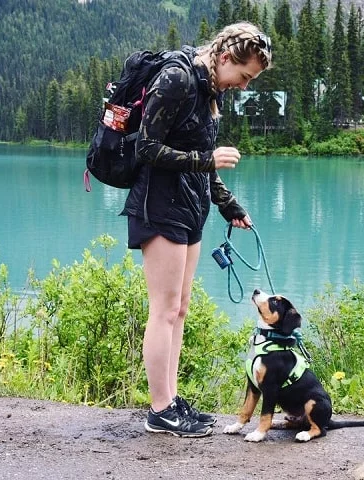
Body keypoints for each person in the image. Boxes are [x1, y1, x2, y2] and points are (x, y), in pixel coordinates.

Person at [120, 22, 272, 437]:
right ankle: (159, 410)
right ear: (225, 58)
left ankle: (171, 401)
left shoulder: (209, 92)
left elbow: (201, 158)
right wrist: (207, 163)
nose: (243, 85)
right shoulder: (177, 79)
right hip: (158, 206)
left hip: (189, 208)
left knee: (180, 310)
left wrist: (227, 204)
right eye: (244, 76)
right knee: (164, 310)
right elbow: (146, 148)